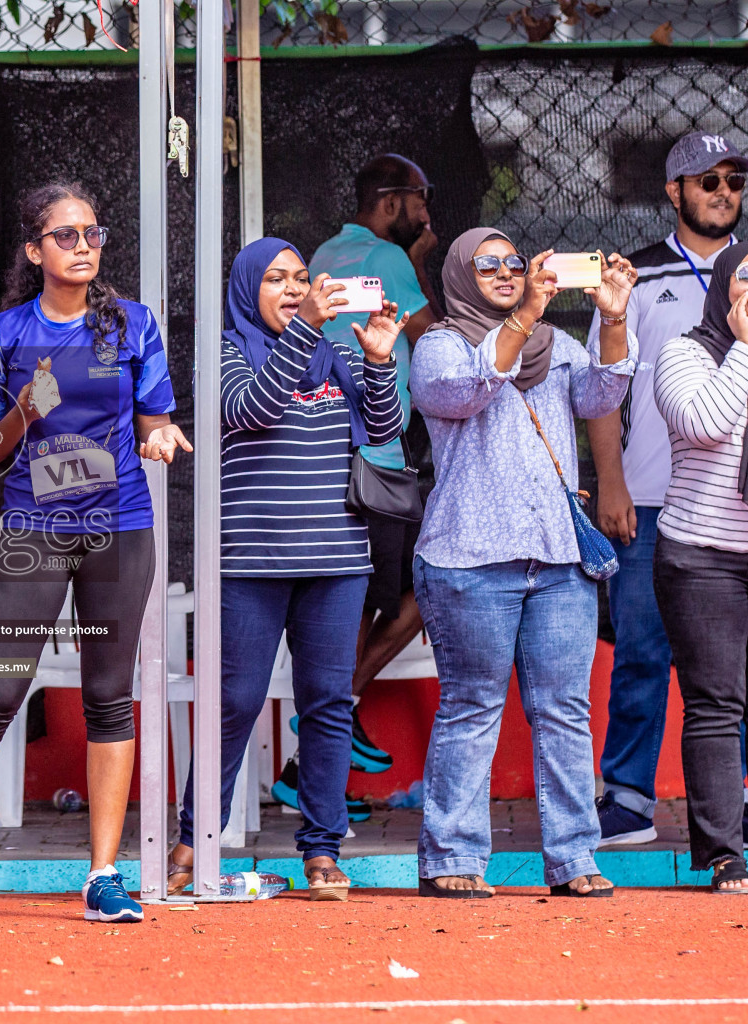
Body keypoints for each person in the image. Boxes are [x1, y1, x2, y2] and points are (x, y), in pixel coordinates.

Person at [0, 182, 189, 927]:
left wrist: (159, 437)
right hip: (34, 528)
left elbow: (156, 420)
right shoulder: (3, 335)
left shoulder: (133, 325)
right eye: (66, 235)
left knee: (108, 696)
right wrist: (28, 406)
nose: (84, 245)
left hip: (120, 523)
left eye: (93, 232)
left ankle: (102, 874)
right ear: (35, 251)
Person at [166, 238, 406, 901]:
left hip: (337, 561)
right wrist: (305, 330)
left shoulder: (334, 351)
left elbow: (382, 431)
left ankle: (323, 850)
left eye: (302, 278)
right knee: (234, 703)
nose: (294, 289)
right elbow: (251, 410)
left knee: (328, 704)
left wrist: (380, 359)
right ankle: (195, 838)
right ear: (248, 288)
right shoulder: (225, 351)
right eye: (277, 279)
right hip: (250, 561)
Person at [410, 229, 636, 898]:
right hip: (469, 560)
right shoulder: (439, 345)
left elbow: (602, 397)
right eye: (490, 264)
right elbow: (466, 392)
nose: (506, 272)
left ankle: (574, 860)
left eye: (515, 263)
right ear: (460, 274)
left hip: (559, 559)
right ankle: (451, 857)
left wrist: (614, 317)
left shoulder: (557, 347)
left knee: (564, 710)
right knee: (473, 708)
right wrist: (526, 314)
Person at [591, 131, 748, 848]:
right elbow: (602, 391)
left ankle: (734, 805)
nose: (723, 192)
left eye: (734, 180)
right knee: (643, 651)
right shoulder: (634, 277)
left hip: (737, 508)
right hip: (654, 498)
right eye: (706, 180)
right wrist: (612, 484)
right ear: (673, 190)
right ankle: (627, 796)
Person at [304, 153, 442, 798]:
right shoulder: (388, 260)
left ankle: (309, 768)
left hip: (330, 453)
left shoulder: (323, 255)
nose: (425, 211)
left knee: (353, 601)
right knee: (425, 585)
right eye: (420, 198)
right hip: (380, 458)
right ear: (390, 201)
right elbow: (434, 333)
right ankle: (340, 709)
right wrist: (418, 264)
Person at [650, 241, 748, 894]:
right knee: (715, 705)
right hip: (702, 557)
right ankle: (724, 854)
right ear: (722, 288)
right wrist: (744, 347)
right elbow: (705, 424)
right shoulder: (686, 353)